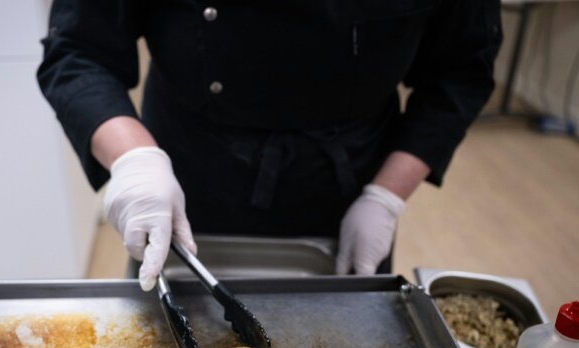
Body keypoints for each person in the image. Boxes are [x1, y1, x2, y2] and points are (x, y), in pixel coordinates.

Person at [38, 0, 501, 291]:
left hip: (349, 185)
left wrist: (387, 196)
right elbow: (80, 50)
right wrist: (134, 160)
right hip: (188, 174)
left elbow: (461, 70)